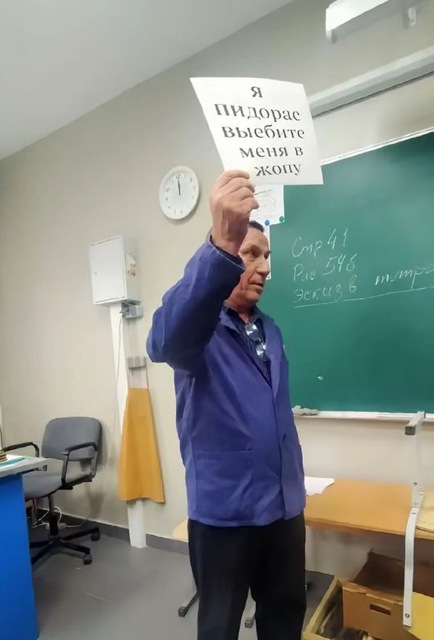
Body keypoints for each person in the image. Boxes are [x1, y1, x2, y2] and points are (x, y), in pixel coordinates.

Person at [147, 170, 306, 640]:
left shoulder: (270, 329)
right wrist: (220, 244)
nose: (265, 267)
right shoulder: (199, 331)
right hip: (226, 512)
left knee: (284, 617)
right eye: (252, 253)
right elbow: (163, 341)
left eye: (267, 256)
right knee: (219, 626)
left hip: (283, 506)